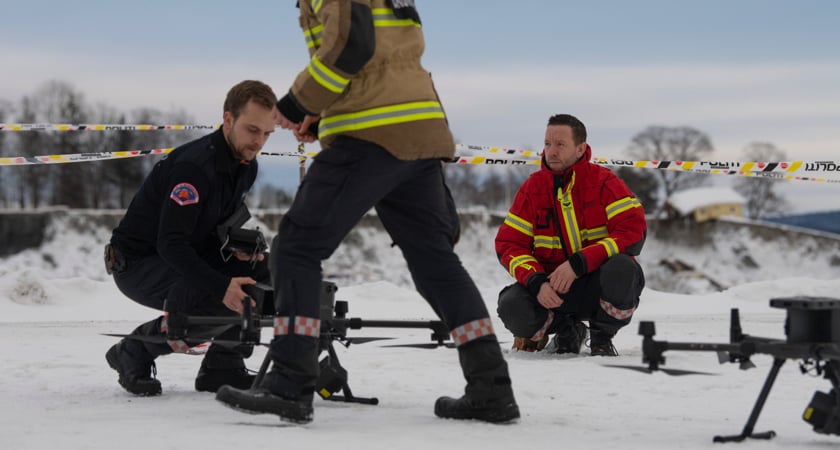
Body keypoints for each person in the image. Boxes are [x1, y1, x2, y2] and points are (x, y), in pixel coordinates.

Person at [215, 0, 519, 424]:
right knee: (436, 263)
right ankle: (492, 389)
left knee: (297, 248)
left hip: (370, 133)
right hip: (420, 128)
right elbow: (388, 60)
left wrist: (299, 102)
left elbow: (352, 43)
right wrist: (323, 116)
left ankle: (289, 383)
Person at [104, 80, 278, 396]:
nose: (259, 142)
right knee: (223, 295)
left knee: (263, 278)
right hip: (139, 264)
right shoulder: (194, 169)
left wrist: (239, 251)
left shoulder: (245, 166)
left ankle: (221, 367)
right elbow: (170, 243)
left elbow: (210, 228)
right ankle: (134, 349)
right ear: (228, 119)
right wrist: (221, 284)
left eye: (267, 134)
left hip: (180, 254)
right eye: (253, 130)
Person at [495, 114, 646, 357]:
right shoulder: (533, 188)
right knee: (511, 306)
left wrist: (579, 263)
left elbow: (633, 231)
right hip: (552, 290)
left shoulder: (605, 182)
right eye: (547, 144)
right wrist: (537, 282)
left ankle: (602, 336)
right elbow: (509, 244)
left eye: (560, 145)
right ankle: (568, 331)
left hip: (596, 285)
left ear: (580, 149)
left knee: (623, 269)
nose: (551, 152)